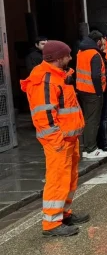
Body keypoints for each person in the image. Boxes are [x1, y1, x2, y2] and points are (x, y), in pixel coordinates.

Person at [21, 41, 88, 237]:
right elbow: (44, 115)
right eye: (67, 55)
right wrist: (57, 140)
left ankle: (63, 213)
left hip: (68, 139)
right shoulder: (45, 79)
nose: (70, 58)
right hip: (58, 141)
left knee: (68, 177)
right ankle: (51, 223)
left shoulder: (57, 76)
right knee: (57, 179)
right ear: (58, 58)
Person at [75, 31, 107, 159]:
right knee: (93, 121)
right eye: (102, 39)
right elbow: (96, 75)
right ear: (98, 41)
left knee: (88, 119)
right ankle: (91, 149)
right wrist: (99, 92)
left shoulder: (81, 52)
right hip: (92, 92)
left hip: (82, 90)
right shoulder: (94, 54)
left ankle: (87, 148)